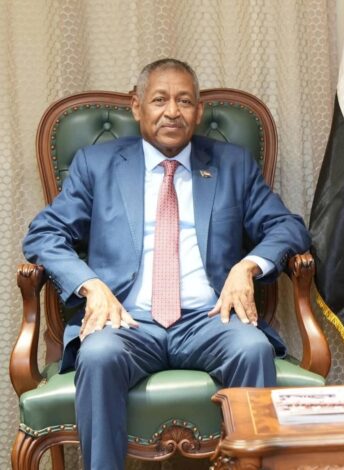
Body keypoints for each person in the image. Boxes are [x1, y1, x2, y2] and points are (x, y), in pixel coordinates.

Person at [23, 58, 309, 469]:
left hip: (210, 319)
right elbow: (43, 234)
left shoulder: (232, 165)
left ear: (199, 110)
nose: (172, 111)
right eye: (160, 100)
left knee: (252, 348)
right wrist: (90, 285)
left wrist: (248, 266)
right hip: (127, 321)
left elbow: (287, 227)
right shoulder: (96, 164)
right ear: (136, 106)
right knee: (98, 355)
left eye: (184, 101)